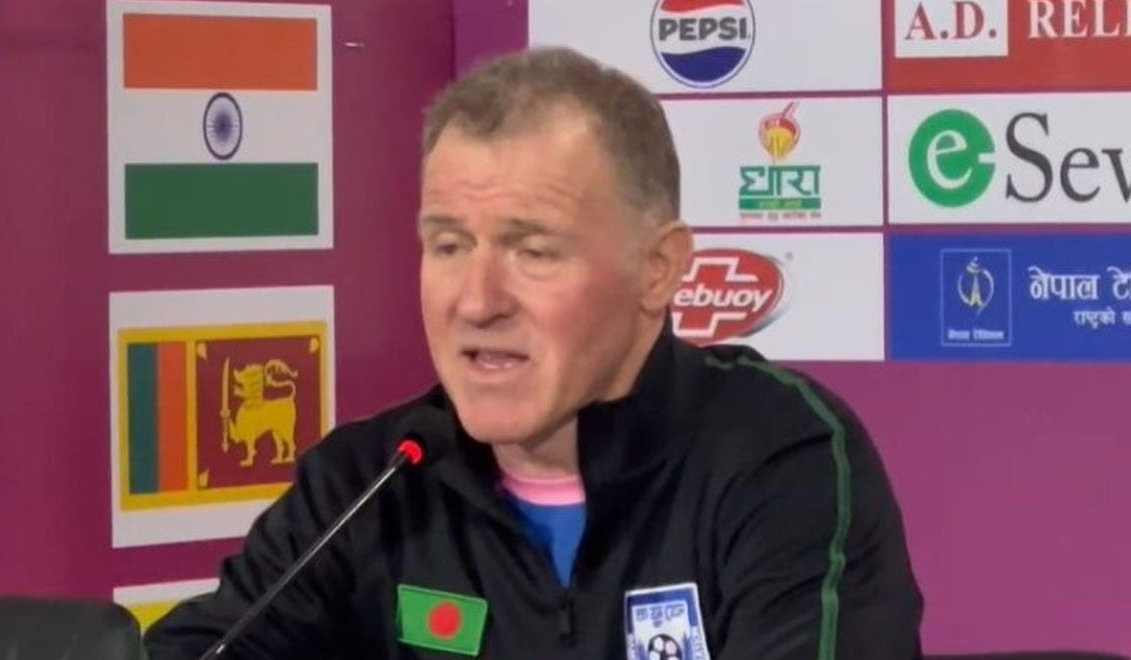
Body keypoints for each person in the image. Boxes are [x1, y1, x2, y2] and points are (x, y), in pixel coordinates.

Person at [143, 46, 924, 659]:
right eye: (448, 245)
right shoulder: (369, 483)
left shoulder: (775, 457)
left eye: (533, 251)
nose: (477, 300)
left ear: (658, 270)